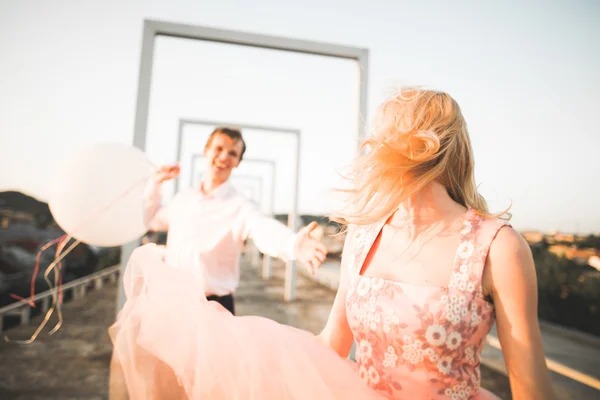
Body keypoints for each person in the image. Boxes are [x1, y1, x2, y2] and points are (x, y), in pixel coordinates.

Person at [109, 88, 556, 399]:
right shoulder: (364, 237)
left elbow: (532, 389)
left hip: (218, 298)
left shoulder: (499, 247)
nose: (370, 145)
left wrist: (295, 245)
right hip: (197, 312)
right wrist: (239, 357)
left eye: (382, 134)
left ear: (420, 144)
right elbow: (331, 345)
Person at [141, 127, 328, 315]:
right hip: (172, 303)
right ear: (206, 151)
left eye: (232, 153)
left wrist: (292, 243)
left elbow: (261, 227)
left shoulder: (240, 206)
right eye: (219, 149)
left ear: (238, 162)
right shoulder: (183, 199)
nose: (224, 157)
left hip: (213, 308)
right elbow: (152, 219)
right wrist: (155, 183)